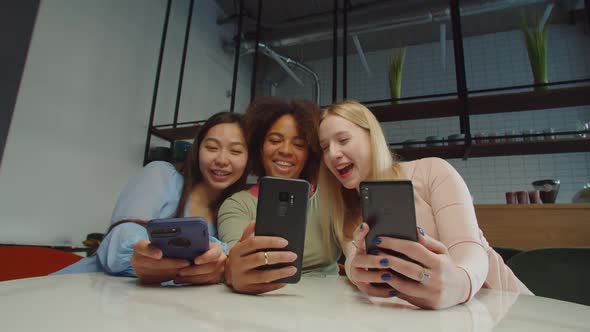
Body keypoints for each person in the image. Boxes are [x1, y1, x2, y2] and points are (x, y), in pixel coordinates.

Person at [317, 100, 532, 309]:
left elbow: (469, 248)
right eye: (325, 147)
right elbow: (360, 269)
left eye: (343, 140)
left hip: (508, 308)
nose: (333, 154)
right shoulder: (345, 216)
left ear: (372, 137)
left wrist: (459, 283)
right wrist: (357, 273)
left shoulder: (431, 171)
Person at [55, 112, 249, 285]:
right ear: (197, 151)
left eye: (235, 151)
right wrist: (146, 258)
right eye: (212, 147)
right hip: (86, 289)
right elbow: (121, 236)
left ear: (248, 160)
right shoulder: (161, 174)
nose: (222, 160)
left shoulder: (233, 212)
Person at [218, 97, 341, 294]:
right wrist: (234, 270)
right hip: (262, 300)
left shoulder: (330, 198)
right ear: (260, 147)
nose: (285, 150)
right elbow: (233, 259)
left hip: (331, 302)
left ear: (309, 153)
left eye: (299, 144)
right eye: (275, 140)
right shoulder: (237, 204)